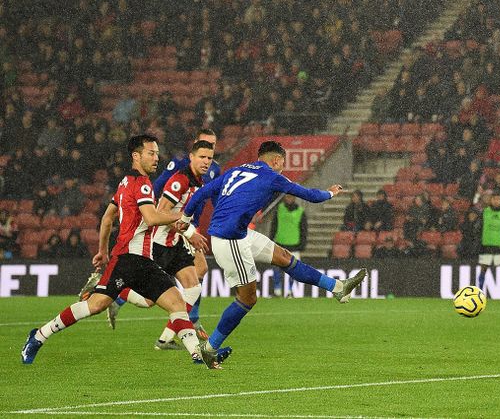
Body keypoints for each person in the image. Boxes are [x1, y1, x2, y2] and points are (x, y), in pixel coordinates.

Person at [22, 135, 221, 368]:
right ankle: (38, 336)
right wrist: (183, 217)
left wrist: (102, 252)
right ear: (136, 156)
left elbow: (107, 218)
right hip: (127, 259)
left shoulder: (125, 182)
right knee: (95, 306)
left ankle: (199, 357)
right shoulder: (142, 184)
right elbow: (152, 216)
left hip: (142, 261)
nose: (156, 158)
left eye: (157, 153)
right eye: (150, 153)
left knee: (177, 303)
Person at [178, 140, 366, 351]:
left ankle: (338, 287)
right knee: (247, 299)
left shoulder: (235, 171)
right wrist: (331, 192)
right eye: (282, 163)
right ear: (276, 160)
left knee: (283, 257)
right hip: (230, 239)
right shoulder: (272, 177)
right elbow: (311, 196)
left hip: (239, 233)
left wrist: (185, 219)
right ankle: (210, 349)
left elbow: (202, 193)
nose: (282, 167)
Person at [106, 140, 216, 348]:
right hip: (158, 243)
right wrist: (190, 231)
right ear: (191, 156)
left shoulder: (198, 180)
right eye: (202, 157)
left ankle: (165, 339)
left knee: (193, 287)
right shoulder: (181, 180)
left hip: (175, 242)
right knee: (148, 301)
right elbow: (161, 211)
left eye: (209, 158)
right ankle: (117, 292)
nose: (206, 161)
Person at [151, 129, 222, 328]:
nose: (208, 155)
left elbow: (216, 199)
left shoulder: (214, 170)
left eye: (212, 147)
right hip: (172, 225)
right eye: (204, 146)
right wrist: (150, 210)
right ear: (194, 147)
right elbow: (159, 188)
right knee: (150, 294)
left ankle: (189, 321)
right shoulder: (181, 166)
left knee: (199, 271)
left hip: (190, 225)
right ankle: (115, 296)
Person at [269, 194, 308, 297]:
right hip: (280, 244)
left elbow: (304, 229)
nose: (289, 199)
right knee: (276, 270)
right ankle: (277, 291)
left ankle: (290, 292)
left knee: (293, 271)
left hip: (294, 246)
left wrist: (302, 244)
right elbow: (274, 226)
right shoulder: (279, 209)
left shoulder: (300, 212)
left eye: (290, 197)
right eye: (287, 197)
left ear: (294, 198)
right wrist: (270, 239)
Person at [478, 193, 500, 299]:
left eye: (498, 199)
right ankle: (479, 293)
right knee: (483, 269)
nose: (496, 201)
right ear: (491, 200)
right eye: (494, 199)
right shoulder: (485, 212)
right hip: (487, 245)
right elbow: (479, 228)